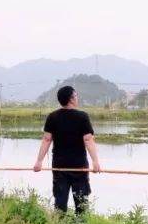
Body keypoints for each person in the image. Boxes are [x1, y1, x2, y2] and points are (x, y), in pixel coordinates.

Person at [33, 85, 101, 214]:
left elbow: (46, 140)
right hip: (79, 166)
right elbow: (88, 140)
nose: (77, 98)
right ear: (71, 99)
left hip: (60, 166)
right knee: (81, 203)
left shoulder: (52, 117)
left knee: (60, 202)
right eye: (75, 96)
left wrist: (39, 161)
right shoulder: (82, 117)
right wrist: (95, 162)